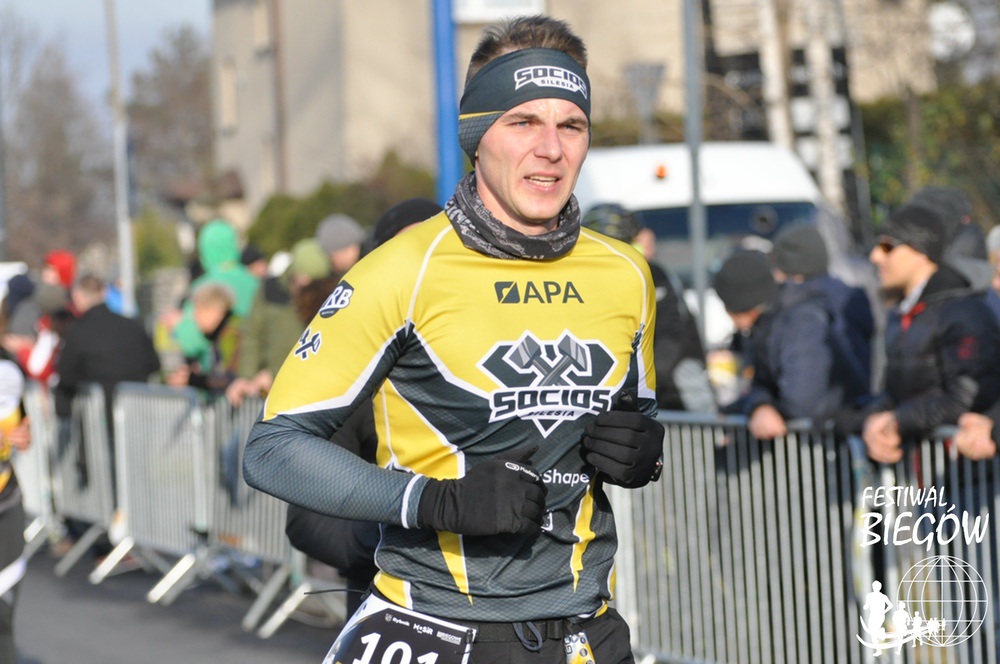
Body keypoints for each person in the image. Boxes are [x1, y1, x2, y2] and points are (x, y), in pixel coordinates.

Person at [245, 15, 662, 663]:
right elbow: (272, 450)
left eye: (571, 125)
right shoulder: (401, 269)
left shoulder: (626, 273)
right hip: (434, 629)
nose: (550, 149)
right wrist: (433, 500)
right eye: (523, 122)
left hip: (588, 632)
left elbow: (639, 424)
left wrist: (643, 454)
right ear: (476, 134)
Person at [860, 203, 1000, 463]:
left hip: (966, 473)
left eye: (887, 246)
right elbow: (895, 392)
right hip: (922, 474)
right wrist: (873, 420)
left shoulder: (963, 312)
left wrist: (898, 420)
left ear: (919, 250)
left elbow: (969, 399)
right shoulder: (902, 313)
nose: (876, 256)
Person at [582, 202, 714, 412]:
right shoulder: (588, 281)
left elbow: (671, 336)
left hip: (675, 392)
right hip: (621, 395)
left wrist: (638, 383)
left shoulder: (653, 275)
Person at [226, 238, 334, 406]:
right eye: (302, 284)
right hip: (270, 392)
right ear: (294, 274)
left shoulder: (330, 296)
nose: (306, 293)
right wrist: (246, 377)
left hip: (312, 392)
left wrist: (275, 374)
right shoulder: (269, 290)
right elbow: (252, 335)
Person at [171, 219, 260, 372]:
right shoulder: (255, 283)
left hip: (219, 373)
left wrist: (178, 325)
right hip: (252, 367)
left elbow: (192, 344)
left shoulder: (202, 287)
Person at [0, 342, 29, 664]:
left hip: (6, 500)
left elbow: (22, 427)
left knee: (3, 613)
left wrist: (21, 435)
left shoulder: (7, 367)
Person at [167, 282, 242, 395]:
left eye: (199, 310)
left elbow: (231, 379)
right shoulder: (216, 335)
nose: (194, 317)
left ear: (216, 310)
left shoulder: (231, 333)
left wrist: (193, 380)